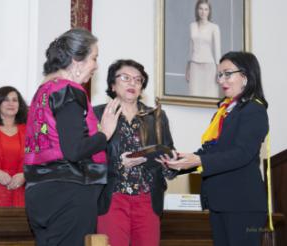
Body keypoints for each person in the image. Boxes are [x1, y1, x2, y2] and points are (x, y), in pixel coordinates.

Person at [23, 28, 121, 246]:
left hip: (39, 191)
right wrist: (105, 132)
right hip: (68, 192)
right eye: (94, 58)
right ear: (77, 61)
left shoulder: (43, 90)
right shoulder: (69, 90)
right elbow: (74, 150)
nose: (96, 65)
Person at [166, 51, 269, 246]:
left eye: (227, 73)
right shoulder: (223, 112)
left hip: (242, 204)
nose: (222, 80)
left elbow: (242, 154)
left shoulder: (254, 109)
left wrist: (200, 160)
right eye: (219, 74)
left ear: (245, 77)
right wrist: (179, 162)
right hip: (219, 202)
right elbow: (210, 151)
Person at [94, 59, 177, 246]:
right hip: (112, 196)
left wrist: (170, 163)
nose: (132, 83)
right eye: (125, 78)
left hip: (147, 197)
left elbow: (169, 154)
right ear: (112, 85)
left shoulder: (155, 117)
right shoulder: (98, 114)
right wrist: (118, 164)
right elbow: (88, 159)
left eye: (138, 80)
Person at [186, 0, 221, 98]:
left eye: (206, 9)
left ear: (209, 11)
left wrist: (219, 71)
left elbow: (217, 50)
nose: (203, 12)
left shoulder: (214, 27)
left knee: (210, 96)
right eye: (200, 9)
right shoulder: (192, 26)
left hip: (209, 66)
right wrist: (188, 68)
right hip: (194, 66)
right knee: (193, 95)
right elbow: (190, 48)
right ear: (197, 10)